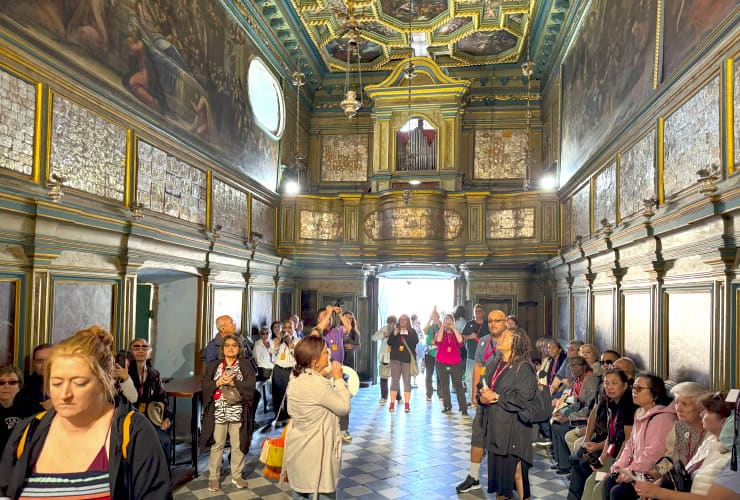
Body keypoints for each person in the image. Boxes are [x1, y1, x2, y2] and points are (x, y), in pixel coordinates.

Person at [0, 326, 172, 499]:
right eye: (57, 382)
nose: (65, 394)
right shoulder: (27, 431)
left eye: (79, 382)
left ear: (104, 382)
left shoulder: (132, 431)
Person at [283, 336, 351, 499]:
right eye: (325, 352)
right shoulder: (317, 385)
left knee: (300, 491)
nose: (329, 354)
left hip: (299, 446)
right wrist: (339, 379)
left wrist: (323, 372)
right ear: (314, 360)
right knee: (321, 491)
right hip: (317, 450)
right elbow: (343, 408)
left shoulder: (296, 377)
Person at [633, 392, 733, 498]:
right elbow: (670, 458)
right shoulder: (678, 427)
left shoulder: (713, 434)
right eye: (677, 403)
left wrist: (658, 491)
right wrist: (654, 473)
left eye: (685, 404)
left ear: (698, 407)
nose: (678, 408)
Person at [478, 327, 537, 498]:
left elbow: (523, 399)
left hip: (513, 428)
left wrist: (497, 397)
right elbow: (483, 386)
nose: (500, 339)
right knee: (500, 476)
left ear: (516, 343)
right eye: (501, 336)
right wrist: (483, 397)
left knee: (514, 473)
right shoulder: (497, 361)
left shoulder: (524, 368)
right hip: (496, 426)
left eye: (506, 337)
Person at [602, 373, 677, 500]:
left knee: (618, 492)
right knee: (608, 480)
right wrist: (618, 467)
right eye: (634, 388)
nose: (634, 392)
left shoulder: (663, 418)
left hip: (651, 473)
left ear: (655, 393)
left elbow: (652, 454)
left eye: (639, 389)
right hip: (636, 471)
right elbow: (630, 444)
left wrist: (628, 473)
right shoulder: (640, 412)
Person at [457, 309, 508, 493]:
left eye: (498, 321)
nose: (493, 324)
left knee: (502, 440)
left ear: (505, 322)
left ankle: (508, 479)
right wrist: (473, 393)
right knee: (478, 435)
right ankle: (474, 476)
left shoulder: (512, 342)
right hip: (484, 396)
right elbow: (478, 366)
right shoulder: (484, 341)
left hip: (503, 399)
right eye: (490, 321)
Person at [199, 333, 256, 492]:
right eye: (227, 345)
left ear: (239, 349)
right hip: (219, 411)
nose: (230, 348)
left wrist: (233, 382)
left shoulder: (245, 365)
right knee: (217, 444)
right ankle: (214, 478)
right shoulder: (214, 366)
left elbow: (251, 386)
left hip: (238, 411)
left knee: (238, 445)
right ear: (222, 349)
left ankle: (237, 475)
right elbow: (205, 384)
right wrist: (218, 382)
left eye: (234, 345)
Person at [571, 368, 636, 500]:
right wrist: (601, 458)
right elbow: (610, 436)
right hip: (611, 453)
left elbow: (628, 441)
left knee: (596, 488)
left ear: (625, 385)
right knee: (589, 479)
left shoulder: (629, 405)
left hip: (623, 458)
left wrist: (615, 464)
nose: (609, 387)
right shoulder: (612, 403)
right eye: (606, 383)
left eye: (614, 383)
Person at [551, 355, 601, 474]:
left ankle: (567, 466)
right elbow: (572, 399)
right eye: (570, 366)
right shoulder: (576, 379)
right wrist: (562, 412)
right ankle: (561, 462)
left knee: (562, 428)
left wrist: (568, 418)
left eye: (575, 365)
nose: (572, 368)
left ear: (584, 366)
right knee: (555, 425)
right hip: (576, 410)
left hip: (585, 416)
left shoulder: (591, 380)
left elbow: (589, 407)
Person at [127, 339, 173, 461]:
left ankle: (162, 477)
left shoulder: (154, 374)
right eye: (136, 347)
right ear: (130, 352)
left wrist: (167, 418)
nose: (141, 350)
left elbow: (162, 399)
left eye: (144, 347)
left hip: (150, 419)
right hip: (130, 420)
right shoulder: (124, 373)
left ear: (149, 353)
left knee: (164, 440)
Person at [0, 366, 41, 457]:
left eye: (12, 382)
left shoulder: (29, 407)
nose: (6, 386)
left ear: (19, 386)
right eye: (1, 382)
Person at [434, 313, 467, 415]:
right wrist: (442, 328)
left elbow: (460, 341)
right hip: (441, 362)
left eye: (450, 319)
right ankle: (447, 406)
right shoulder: (439, 332)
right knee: (445, 385)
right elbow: (438, 341)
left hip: (455, 362)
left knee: (458, 385)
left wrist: (454, 328)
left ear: (453, 321)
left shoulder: (456, 332)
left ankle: (463, 408)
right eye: (446, 319)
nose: (448, 321)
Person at [386, 313, 419, 413]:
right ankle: (392, 403)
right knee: (394, 382)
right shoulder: (395, 331)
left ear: (408, 321)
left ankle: (407, 404)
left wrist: (407, 333)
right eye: (400, 320)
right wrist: (394, 334)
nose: (402, 321)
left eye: (404, 320)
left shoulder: (412, 331)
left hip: (407, 361)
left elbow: (415, 342)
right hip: (395, 360)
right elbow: (389, 343)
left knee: (407, 383)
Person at [461, 304, 489, 406]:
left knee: (483, 378)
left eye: (480, 311)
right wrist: (470, 336)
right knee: (469, 378)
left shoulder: (487, 325)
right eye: (476, 311)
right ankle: (470, 399)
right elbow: (462, 336)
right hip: (471, 356)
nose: (477, 313)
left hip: (485, 358)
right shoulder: (469, 324)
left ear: (484, 313)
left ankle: (481, 398)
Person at [271, 319, 298, 425]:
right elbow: (272, 352)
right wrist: (278, 340)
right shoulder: (278, 340)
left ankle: (287, 416)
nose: (287, 330)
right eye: (285, 327)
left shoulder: (297, 340)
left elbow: (296, 354)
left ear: (294, 328)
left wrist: (289, 341)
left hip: (290, 370)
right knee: (277, 393)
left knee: (289, 395)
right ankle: (278, 417)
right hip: (278, 369)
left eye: (289, 327)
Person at [372, 315, 397, 405]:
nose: (391, 325)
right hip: (384, 357)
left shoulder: (398, 330)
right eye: (390, 323)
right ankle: (383, 397)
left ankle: (398, 397)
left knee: (396, 378)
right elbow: (374, 337)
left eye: (393, 323)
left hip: (395, 357)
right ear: (387, 322)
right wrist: (383, 334)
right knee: (383, 378)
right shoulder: (384, 329)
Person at [18, 344, 52, 410]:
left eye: (49, 360)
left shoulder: (72, 384)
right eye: (40, 361)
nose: (44, 365)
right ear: (33, 364)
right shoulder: (23, 386)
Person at [422, 308, 440, 402]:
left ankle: (440, 394)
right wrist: (429, 319)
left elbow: (443, 331)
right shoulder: (430, 325)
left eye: (435, 315)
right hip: (429, 353)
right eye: (432, 315)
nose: (434, 316)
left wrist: (437, 320)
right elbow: (424, 331)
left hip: (440, 353)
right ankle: (429, 394)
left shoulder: (440, 325)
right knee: (429, 374)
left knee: (440, 374)